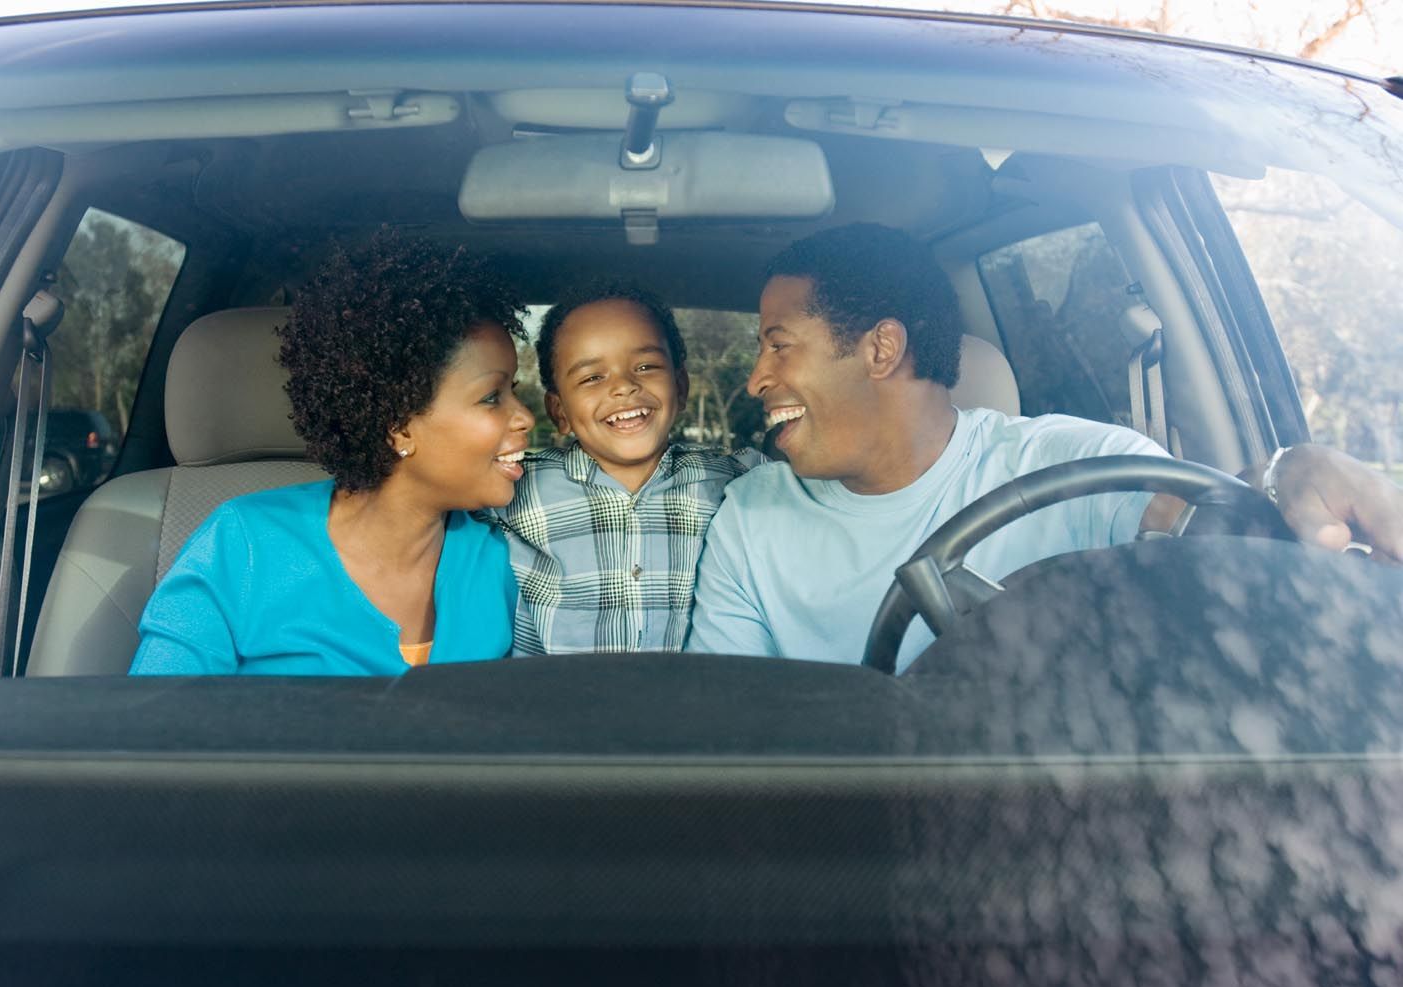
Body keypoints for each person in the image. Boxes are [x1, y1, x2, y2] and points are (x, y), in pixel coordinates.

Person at [687, 223, 1403, 671]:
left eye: (777, 346)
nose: (755, 378)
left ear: (881, 349)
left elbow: (1201, 521)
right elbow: (727, 732)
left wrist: (1291, 471)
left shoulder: (1072, 466)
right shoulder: (750, 518)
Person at [131, 233, 533, 675]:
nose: (525, 418)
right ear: (398, 425)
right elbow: (153, 723)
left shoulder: (503, 558)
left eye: (513, 391)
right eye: (492, 397)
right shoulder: (242, 545)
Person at [492, 284, 758, 655]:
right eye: (592, 377)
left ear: (680, 387)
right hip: (548, 707)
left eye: (646, 366)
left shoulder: (733, 480)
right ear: (559, 412)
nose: (624, 387)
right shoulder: (517, 488)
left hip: (687, 707)